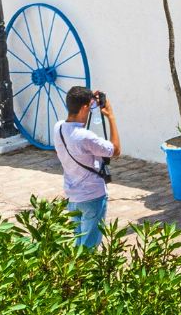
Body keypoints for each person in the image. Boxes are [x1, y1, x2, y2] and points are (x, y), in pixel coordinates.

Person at [54, 86, 121, 249]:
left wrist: (89, 97)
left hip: (73, 197)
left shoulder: (59, 128)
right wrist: (111, 116)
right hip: (92, 196)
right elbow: (116, 150)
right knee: (88, 248)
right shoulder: (84, 137)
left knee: (78, 245)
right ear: (85, 107)